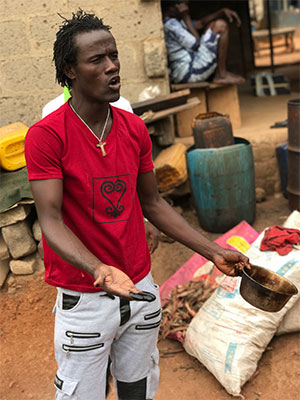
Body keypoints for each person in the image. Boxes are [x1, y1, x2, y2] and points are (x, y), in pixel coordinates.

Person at [25, 10, 250, 400]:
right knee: (83, 394)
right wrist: (99, 268)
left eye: (114, 56)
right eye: (97, 60)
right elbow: (51, 220)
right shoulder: (47, 136)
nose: (112, 67)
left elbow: (154, 204)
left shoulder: (133, 129)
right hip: (86, 300)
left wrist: (213, 251)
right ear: (70, 70)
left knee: (138, 389)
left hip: (142, 289)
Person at [161, 0, 246, 84]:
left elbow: (200, 24)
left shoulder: (175, 21)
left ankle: (220, 73)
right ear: (176, 6)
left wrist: (221, 12)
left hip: (187, 68)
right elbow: (197, 44)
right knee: (221, 25)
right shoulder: (171, 26)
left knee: (212, 25)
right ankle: (221, 74)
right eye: (186, 4)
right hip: (189, 72)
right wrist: (186, 17)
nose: (187, 8)